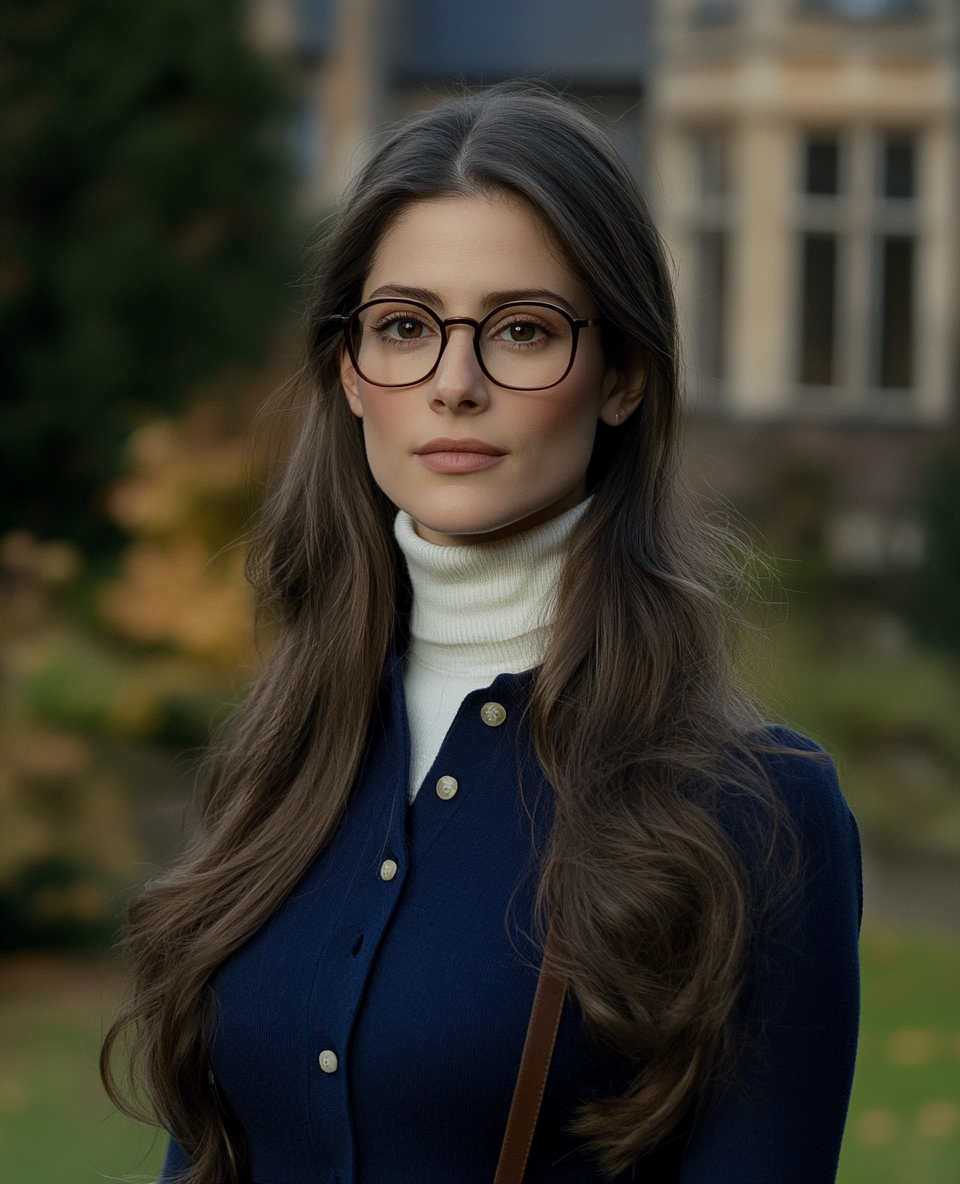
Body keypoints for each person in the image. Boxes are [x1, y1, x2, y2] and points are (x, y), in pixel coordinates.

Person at [101, 85, 861, 1184]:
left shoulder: (756, 812)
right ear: (351, 372)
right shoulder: (289, 748)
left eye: (522, 331)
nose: (454, 384)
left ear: (624, 377)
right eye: (405, 326)